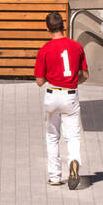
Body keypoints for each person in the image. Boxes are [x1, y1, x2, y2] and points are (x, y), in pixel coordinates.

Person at [33, 11, 88, 189]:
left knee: (52, 136)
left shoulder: (45, 50)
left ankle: (55, 176)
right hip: (70, 94)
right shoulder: (77, 47)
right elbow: (85, 75)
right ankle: (73, 161)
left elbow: (39, 81)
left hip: (52, 94)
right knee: (72, 136)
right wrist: (73, 81)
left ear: (47, 28)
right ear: (63, 25)